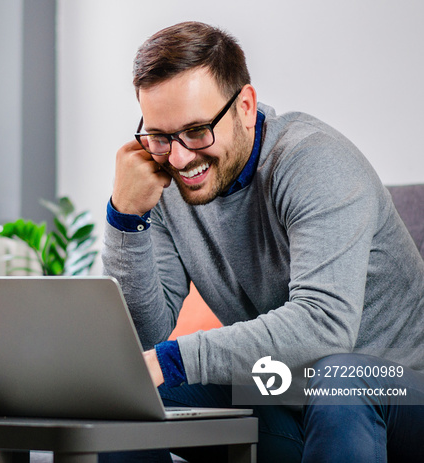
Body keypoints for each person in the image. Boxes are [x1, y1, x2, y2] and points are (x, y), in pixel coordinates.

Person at [101, 21, 424, 462]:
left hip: (399, 395)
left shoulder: (313, 161)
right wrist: (127, 217)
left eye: (198, 131)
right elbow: (144, 340)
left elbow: (326, 326)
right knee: (125, 392)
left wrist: (174, 359)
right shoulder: (165, 179)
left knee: (341, 374)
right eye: (160, 137)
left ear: (246, 107)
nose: (179, 158)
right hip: (289, 394)